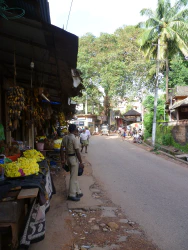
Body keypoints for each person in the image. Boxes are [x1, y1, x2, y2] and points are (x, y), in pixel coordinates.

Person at [61, 124, 84, 202]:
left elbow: (61, 149)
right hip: (73, 158)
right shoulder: (74, 138)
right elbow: (77, 152)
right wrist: (81, 162)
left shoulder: (65, 138)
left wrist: (63, 160)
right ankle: (71, 194)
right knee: (73, 177)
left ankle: (78, 191)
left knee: (73, 175)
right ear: (74, 130)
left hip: (68, 158)